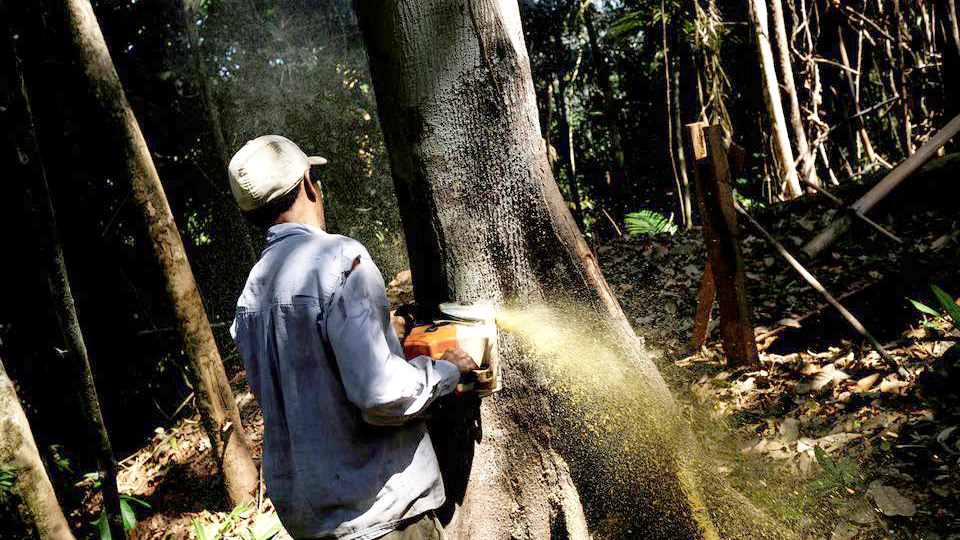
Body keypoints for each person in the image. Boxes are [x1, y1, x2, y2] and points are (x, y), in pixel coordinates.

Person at [227, 135, 475, 540]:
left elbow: (306, 378)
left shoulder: (251, 295)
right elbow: (381, 396)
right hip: (379, 515)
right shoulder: (338, 259)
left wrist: (384, 337)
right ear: (309, 182)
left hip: (311, 520)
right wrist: (446, 371)